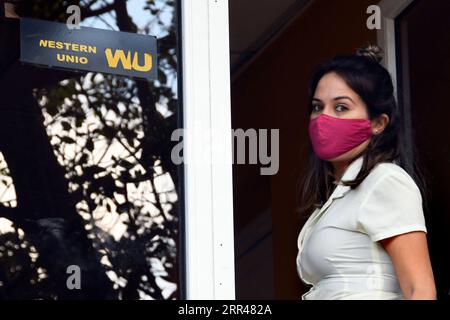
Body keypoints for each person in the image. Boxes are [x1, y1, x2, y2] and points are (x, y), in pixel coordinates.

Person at [296, 44, 436, 300]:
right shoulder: (338, 196)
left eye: (341, 107)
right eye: (317, 107)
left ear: (377, 123)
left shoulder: (385, 181)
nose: (323, 118)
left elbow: (421, 290)